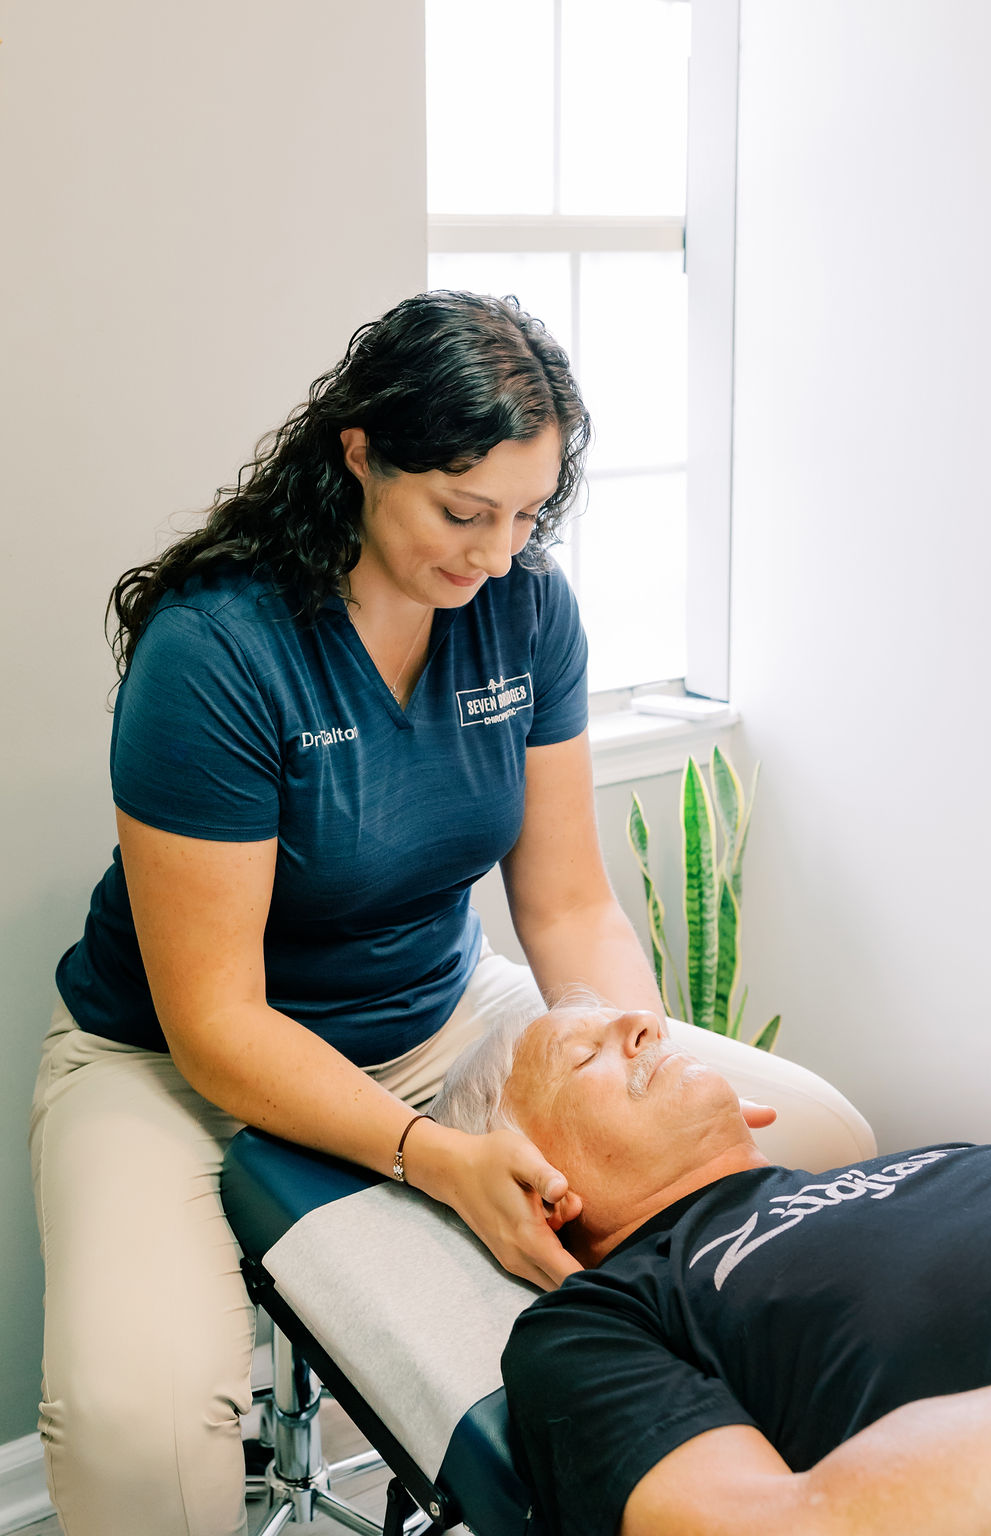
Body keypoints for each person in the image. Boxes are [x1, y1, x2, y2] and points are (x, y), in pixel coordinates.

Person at [29, 290, 666, 1536]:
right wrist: (443, 1167)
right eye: (462, 510)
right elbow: (215, 1021)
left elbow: (571, 904)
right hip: (173, 1064)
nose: (493, 554)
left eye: (528, 516)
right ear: (361, 452)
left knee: (789, 1145)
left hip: (438, 1017)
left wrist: (640, 1070)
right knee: (136, 1428)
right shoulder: (217, 648)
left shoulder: (527, 611)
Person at [431, 997, 991, 1536]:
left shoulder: (945, 1156)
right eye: (584, 1056)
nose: (644, 1022)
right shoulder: (598, 1323)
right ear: (531, 1184)